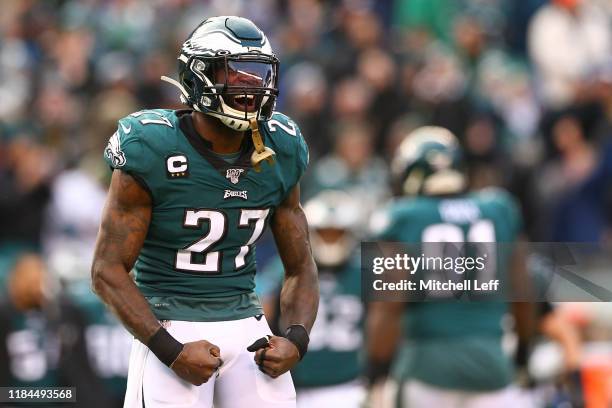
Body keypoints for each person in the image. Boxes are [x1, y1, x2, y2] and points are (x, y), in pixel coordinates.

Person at [90, 16, 319, 408]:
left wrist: (296, 338)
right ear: (198, 76)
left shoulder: (280, 148)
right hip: (170, 322)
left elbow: (300, 266)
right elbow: (106, 271)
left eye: (257, 73)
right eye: (233, 71)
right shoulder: (152, 146)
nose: (250, 85)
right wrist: (169, 349)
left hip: (248, 325)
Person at [366, 126, 535, 407]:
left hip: (427, 369)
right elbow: (524, 293)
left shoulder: (401, 217)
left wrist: (375, 371)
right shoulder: (499, 209)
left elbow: (388, 306)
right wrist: (523, 353)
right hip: (491, 367)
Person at [257, 190, 366, 407]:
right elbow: (263, 313)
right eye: (325, 233)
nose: (330, 239)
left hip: (350, 384)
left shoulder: (363, 270)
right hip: (296, 384)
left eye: (336, 233)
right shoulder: (286, 269)